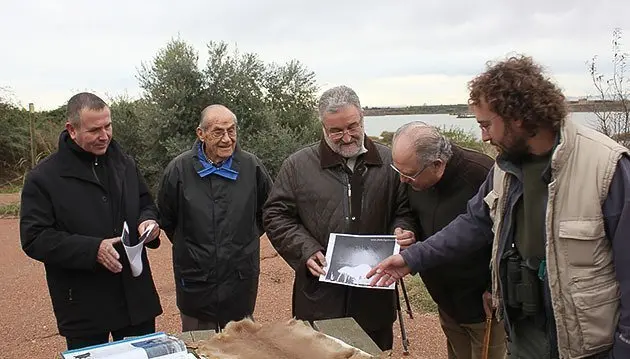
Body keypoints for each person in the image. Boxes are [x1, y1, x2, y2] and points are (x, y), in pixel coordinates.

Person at [367, 55, 630, 359]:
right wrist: (411, 259)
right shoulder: (505, 168)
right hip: (523, 329)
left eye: (486, 124)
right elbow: (473, 223)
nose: (483, 135)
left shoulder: (607, 168)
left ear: (517, 116)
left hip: (584, 345)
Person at [263, 85, 417, 351]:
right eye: (336, 131)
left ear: (362, 118)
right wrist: (306, 250)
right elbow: (276, 215)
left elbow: (406, 209)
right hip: (319, 297)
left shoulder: (390, 162)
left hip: (374, 294)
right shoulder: (297, 166)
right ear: (323, 127)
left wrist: (403, 229)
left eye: (352, 127)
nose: (346, 137)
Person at [20, 92, 163, 350]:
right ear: (71, 130)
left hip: (135, 296)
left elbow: (145, 203)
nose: (105, 135)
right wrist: (92, 249)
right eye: (95, 129)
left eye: (108, 126)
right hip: (83, 303)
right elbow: (34, 238)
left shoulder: (126, 164)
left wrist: (149, 222)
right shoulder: (43, 178)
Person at [391, 121, 506, 359]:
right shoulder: (413, 175)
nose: (403, 181)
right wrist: (405, 229)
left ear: (437, 165)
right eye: (399, 173)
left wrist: (495, 287)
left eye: (409, 175)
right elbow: (407, 211)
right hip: (445, 301)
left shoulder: (482, 174)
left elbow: (508, 237)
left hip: (483, 306)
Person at [158, 104, 273, 332]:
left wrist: (241, 240)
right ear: (200, 133)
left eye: (232, 130)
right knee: (200, 346)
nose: (227, 139)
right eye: (218, 132)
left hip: (240, 279)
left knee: (241, 347)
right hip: (195, 281)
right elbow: (168, 219)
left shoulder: (252, 167)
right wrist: (195, 249)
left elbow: (267, 212)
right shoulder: (179, 170)